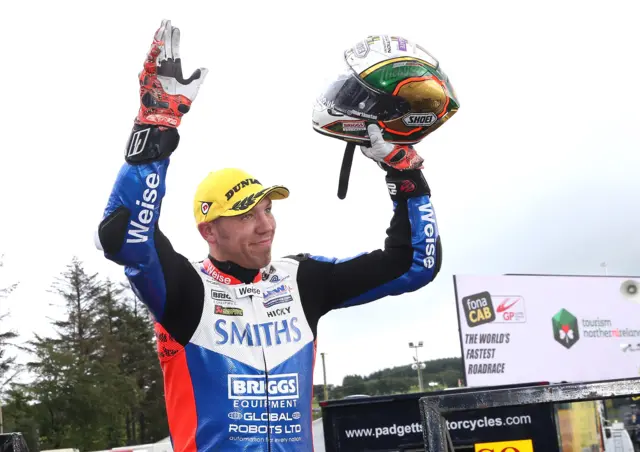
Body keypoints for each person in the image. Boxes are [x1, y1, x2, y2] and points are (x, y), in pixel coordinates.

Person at [96, 20, 442, 452]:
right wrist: (157, 122)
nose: (266, 225)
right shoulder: (184, 293)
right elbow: (123, 236)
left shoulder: (302, 281)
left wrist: (405, 174)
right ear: (209, 231)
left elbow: (415, 264)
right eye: (245, 215)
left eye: (268, 209)